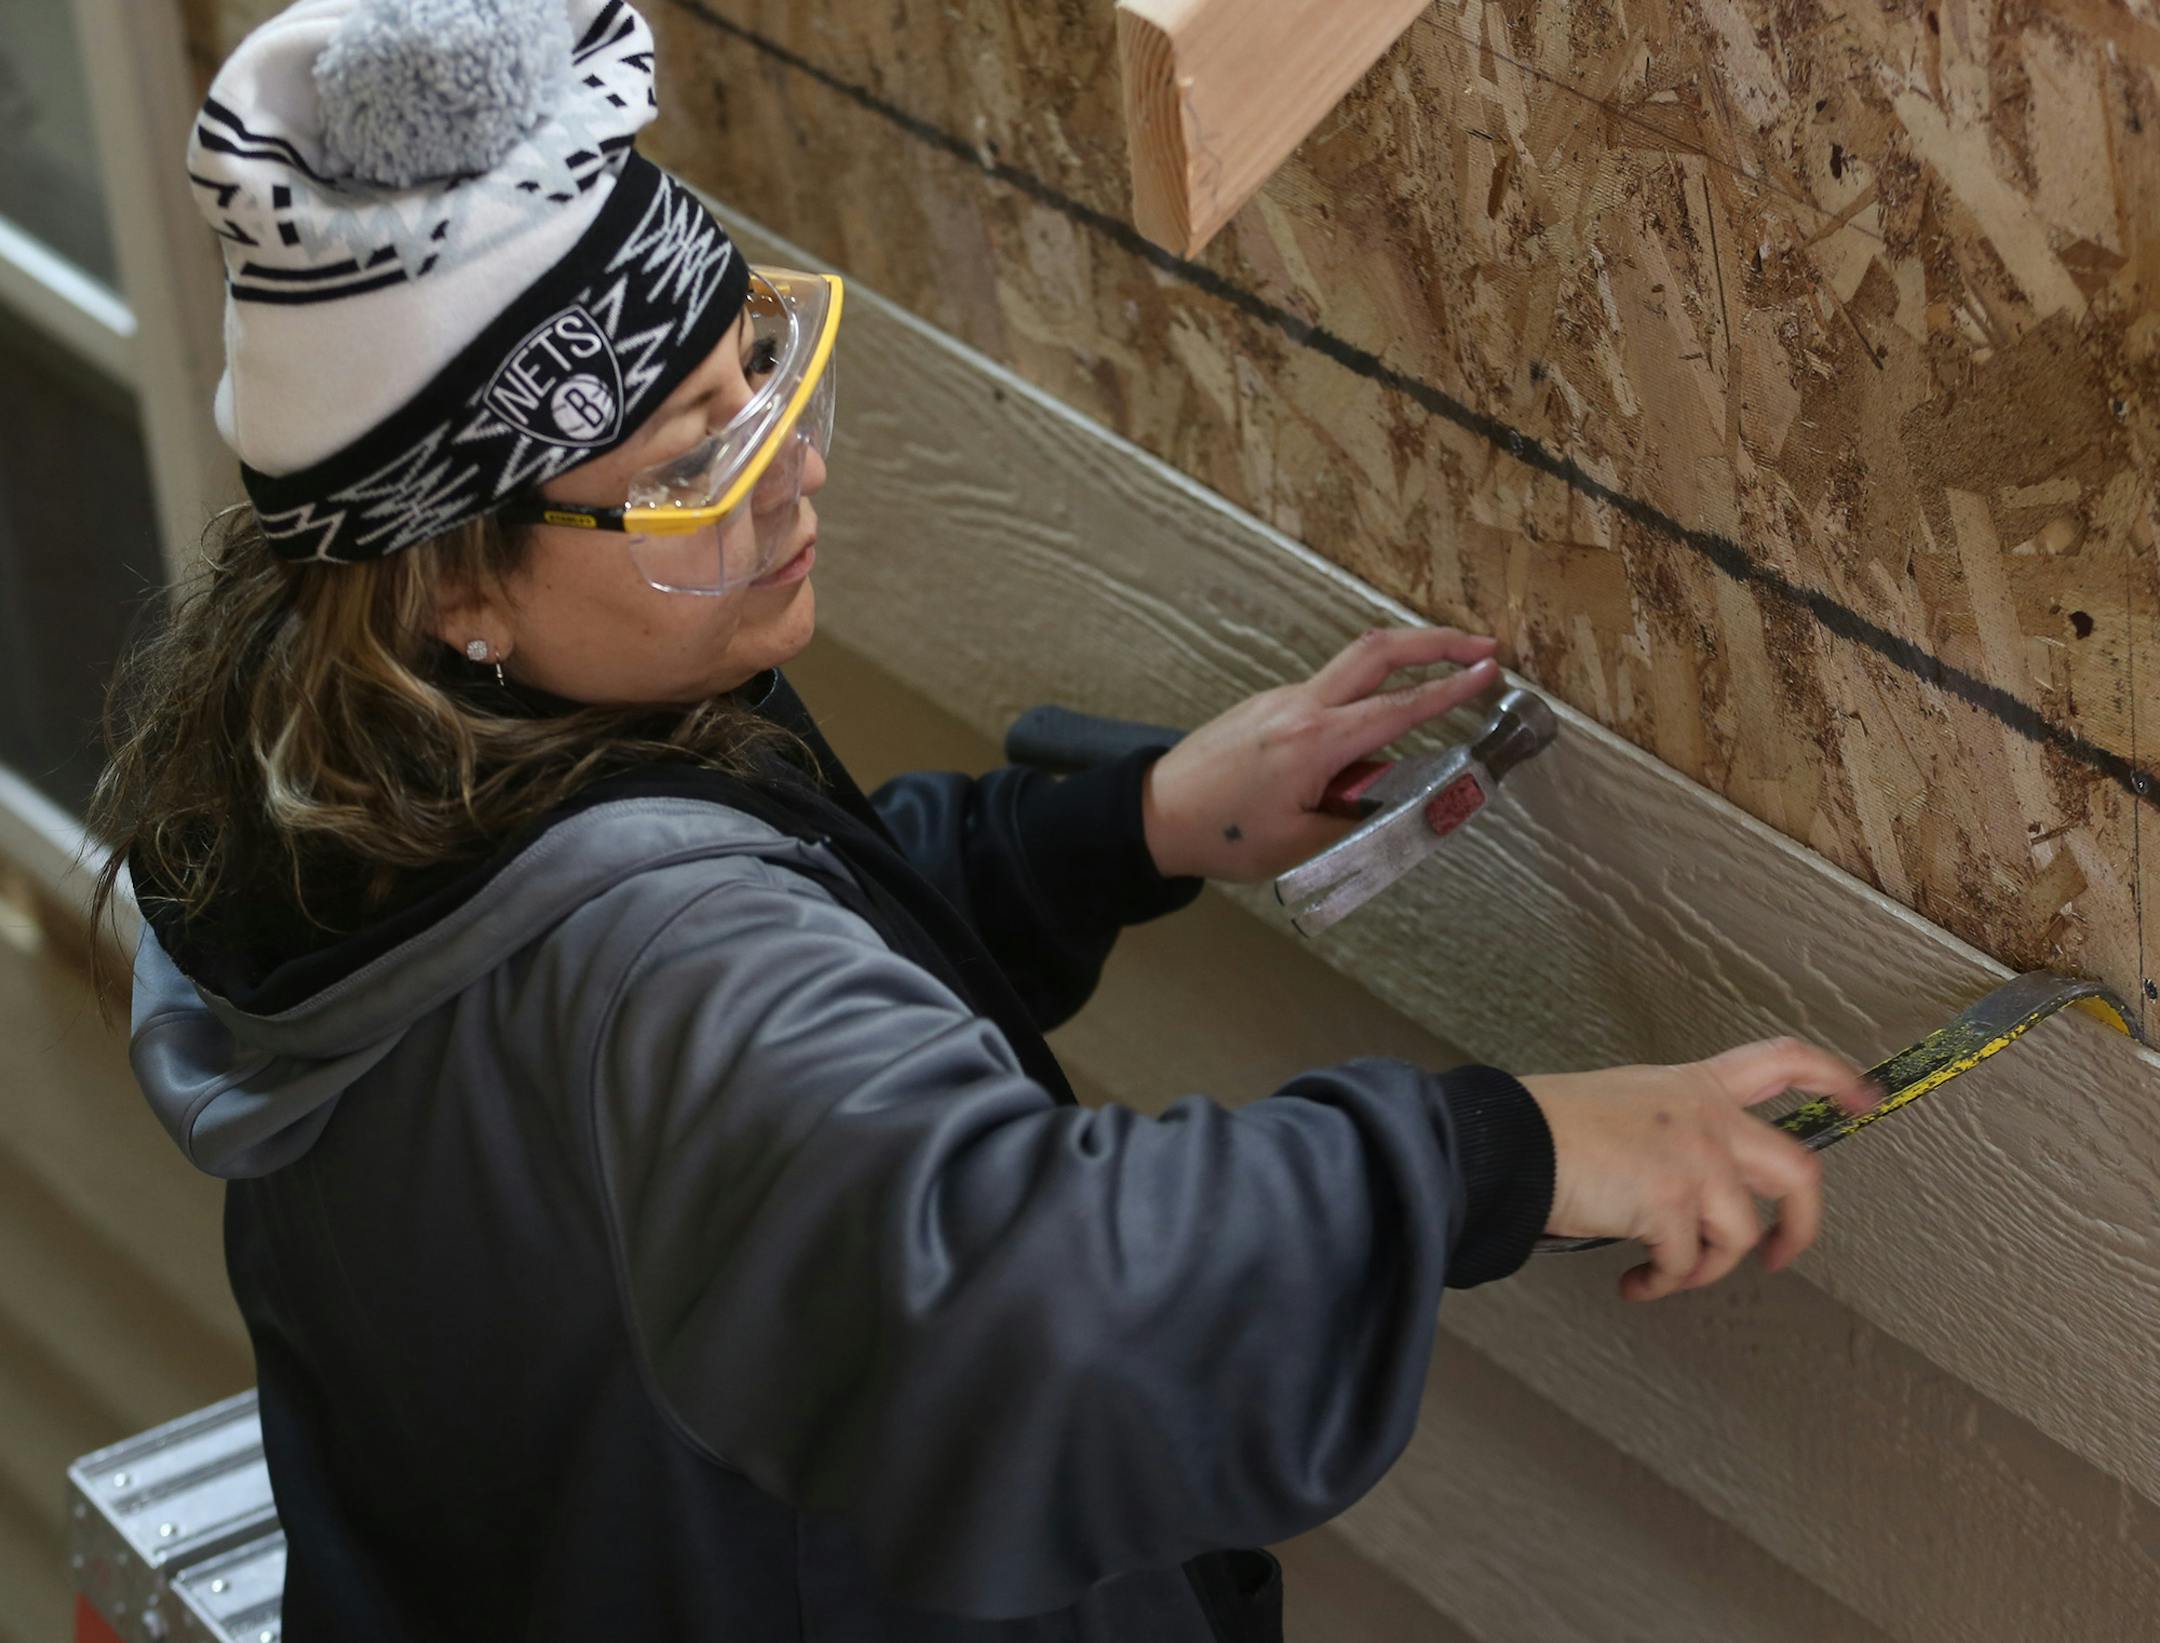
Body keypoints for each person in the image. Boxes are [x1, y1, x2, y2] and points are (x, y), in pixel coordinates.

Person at [93, 3, 1871, 1638]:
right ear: (447, 587)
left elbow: (760, 960)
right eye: (686, 466)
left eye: (761, 371)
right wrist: (1511, 1154)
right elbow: (1028, 1290)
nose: (789, 469)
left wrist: (1123, 830)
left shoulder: (347, 775)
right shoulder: (656, 951)